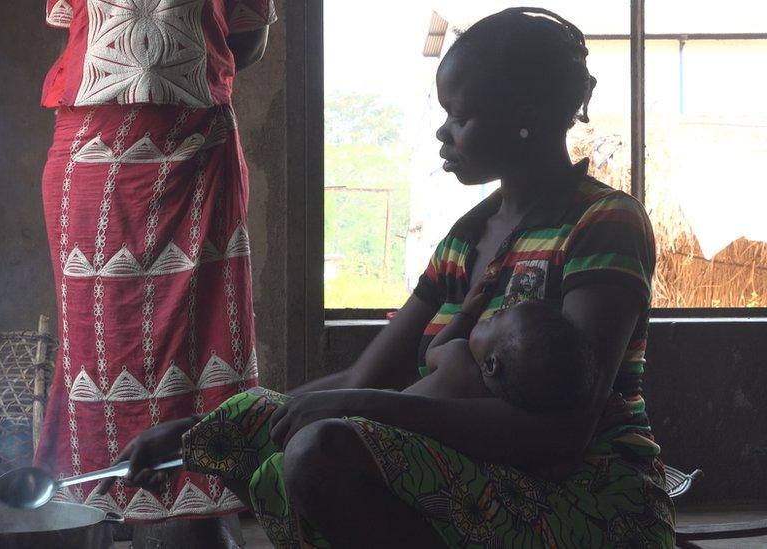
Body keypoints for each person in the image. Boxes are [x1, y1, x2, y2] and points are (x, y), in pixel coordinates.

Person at [106, 7, 675, 547]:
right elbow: (367, 373)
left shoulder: (603, 224)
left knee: (319, 451)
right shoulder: (468, 237)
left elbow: (565, 433)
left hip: (587, 496)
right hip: (483, 482)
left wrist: (367, 407)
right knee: (275, 439)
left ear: (524, 116)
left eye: (461, 115)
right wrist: (199, 431)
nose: (443, 133)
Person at [34, 0, 277, 544]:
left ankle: (197, 516)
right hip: (91, 149)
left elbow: (247, 41)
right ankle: (101, 511)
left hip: (195, 149)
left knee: (199, 339)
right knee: (98, 346)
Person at [414, 279, 596, 416]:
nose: (490, 314)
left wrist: (465, 314)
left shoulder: (458, 357)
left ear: (491, 364)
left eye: (494, 319)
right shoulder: (501, 406)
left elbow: (431, 353)